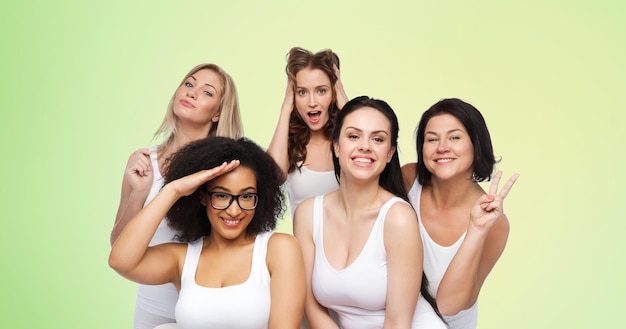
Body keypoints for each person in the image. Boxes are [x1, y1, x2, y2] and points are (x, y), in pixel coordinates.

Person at [109, 136, 306, 329]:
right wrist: (173, 190)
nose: (234, 210)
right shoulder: (182, 259)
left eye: (246, 196)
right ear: (202, 197)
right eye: (221, 195)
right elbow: (120, 261)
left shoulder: (278, 249)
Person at [293, 96, 447, 329]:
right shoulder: (307, 214)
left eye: (377, 139)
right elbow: (311, 307)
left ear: (389, 153)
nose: (364, 146)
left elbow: (398, 323)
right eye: (353, 136)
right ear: (336, 145)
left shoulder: (398, 218)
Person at [110, 63, 243, 328]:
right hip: (150, 306)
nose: (192, 93)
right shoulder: (144, 161)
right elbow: (118, 245)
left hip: (206, 309)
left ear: (217, 113)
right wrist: (139, 193)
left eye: (207, 92)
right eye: (189, 84)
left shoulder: (224, 168)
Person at [401, 98, 519, 329]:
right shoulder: (408, 178)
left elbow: (449, 305)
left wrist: (476, 230)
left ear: (476, 146)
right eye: (432, 139)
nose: (442, 147)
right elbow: (362, 173)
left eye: (454, 137)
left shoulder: (494, 223)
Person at [267, 46, 349, 220]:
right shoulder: (289, 143)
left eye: (321, 91)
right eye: (302, 92)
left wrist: (346, 105)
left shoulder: (350, 141)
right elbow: (272, 177)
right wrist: (285, 110)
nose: (312, 102)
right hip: (303, 246)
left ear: (334, 93)